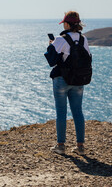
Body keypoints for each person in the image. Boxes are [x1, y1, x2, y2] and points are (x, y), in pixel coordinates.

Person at [44, 11, 91, 155]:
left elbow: (51, 61)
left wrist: (51, 45)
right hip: (78, 80)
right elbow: (89, 58)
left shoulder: (60, 39)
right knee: (78, 112)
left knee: (61, 113)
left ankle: (61, 146)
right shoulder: (84, 39)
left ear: (67, 24)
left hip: (62, 81)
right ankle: (80, 147)